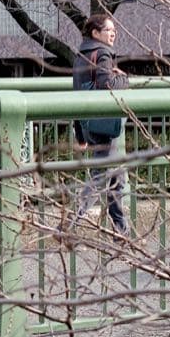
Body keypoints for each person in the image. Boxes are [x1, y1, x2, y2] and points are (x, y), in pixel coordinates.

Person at [69, 13, 130, 236]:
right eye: (108, 30)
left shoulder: (80, 56)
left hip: (89, 123)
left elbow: (77, 94)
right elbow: (107, 84)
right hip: (105, 124)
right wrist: (125, 79)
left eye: (114, 30)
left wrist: (80, 134)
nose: (113, 33)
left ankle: (122, 233)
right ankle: (68, 225)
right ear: (96, 33)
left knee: (116, 177)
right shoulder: (103, 54)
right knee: (100, 179)